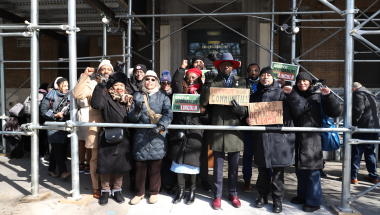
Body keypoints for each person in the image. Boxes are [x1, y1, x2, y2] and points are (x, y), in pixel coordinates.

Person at [283, 73, 342, 212]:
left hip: (313, 137)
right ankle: (302, 196)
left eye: (305, 81)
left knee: (313, 171)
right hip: (297, 137)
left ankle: (314, 201)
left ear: (310, 82)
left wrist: (328, 96)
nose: (302, 83)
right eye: (299, 81)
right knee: (300, 169)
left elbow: (336, 112)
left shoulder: (318, 95)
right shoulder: (294, 93)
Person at [200, 53, 247, 210]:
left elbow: (247, 106)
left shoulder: (242, 81)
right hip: (218, 127)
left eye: (229, 64)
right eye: (223, 65)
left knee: (234, 167)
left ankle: (233, 193)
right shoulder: (213, 81)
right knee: (218, 167)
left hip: (235, 129)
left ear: (233, 66)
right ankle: (217, 195)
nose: (226, 67)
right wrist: (206, 85)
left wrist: (241, 111)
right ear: (219, 66)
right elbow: (204, 102)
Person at [246, 67, 295, 213]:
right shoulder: (254, 96)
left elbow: (296, 109)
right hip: (261, 138)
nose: (265, 77)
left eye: (268, 75)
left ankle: (277, 199)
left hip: (279, 138)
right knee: (262, 169)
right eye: (263, 75)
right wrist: (248, 119)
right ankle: (262, 196)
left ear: (272, 78)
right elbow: (249, 114)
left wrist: (291, 92)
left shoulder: (283, 93)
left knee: (278, 172)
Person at [128, 70, 173, 205]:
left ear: (157, 82)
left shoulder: (163, 96)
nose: (149, 82)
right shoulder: (137, 95)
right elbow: (131, 118)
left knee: (155, 167)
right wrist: (136, 111)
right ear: (143, 81)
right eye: (147, 79)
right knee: (140, 167)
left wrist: (161, 126)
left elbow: (168, 114)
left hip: (157, 136)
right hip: (140, 136)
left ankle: (154, 192)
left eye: (153, 79)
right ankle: (139, 193)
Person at [72, 59, 115, 198]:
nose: (106, 71)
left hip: (112, 124)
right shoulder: (91, 84)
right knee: (95, 158)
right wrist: (84, 76)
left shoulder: (115, 84)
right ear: (98, 71)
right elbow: (77, 94)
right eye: (103, 69)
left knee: (112, 156)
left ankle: (110, 187)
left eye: (109, 69)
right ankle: (96, 187)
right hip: (96, 125)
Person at [91, 71, 133, 206]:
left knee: (119, 166)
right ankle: (105, 191)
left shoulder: (129, 99)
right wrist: (100, 86)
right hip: (108, 136)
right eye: (116, 85)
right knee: (105, 166)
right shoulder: (106, 97)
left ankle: (117, 190)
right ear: (112, 86)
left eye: (122, 85)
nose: (119, 88)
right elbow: (96, 104)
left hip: (123, 136)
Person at [168, 67, 210, 205]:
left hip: (195, 132)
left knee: (193, 163)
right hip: (180, 130)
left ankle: (192, 191)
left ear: (199, 78)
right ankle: (180, 191)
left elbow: (209, 116)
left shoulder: (203, 93)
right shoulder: (181, 92)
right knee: (178, 162)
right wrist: (181, 69)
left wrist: (204, 113)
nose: (191, 80)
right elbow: (175, 83)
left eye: (194, 77)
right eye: (188, 77)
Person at [40, 77, 71, 180]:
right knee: (58, 148)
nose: (67, 88)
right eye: (64, 86)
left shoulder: (69, 96)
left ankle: (51, 169)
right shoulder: (50, 96)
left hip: (63, 125)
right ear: (58, 86)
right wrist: (54, 115)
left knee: (56, 149)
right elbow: (44, 111)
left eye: (67, 85)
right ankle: (63, 171)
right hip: (52, 125)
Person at [350, 82, 380, 184]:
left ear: (353, 89)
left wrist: (352, 125)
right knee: (370, 152)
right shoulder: (371, 94)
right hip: (374, 128)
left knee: (356, 152)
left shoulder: (358, 94)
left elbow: (357, 111)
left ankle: (352, 176)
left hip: (362, 128)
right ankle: (374, 176)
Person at [242, 63, 260, 192]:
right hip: (247, 123)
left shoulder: (265, 83)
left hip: (262, 123)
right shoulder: (243, 84)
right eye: (250, 71)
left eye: (255, 70)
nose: (253, 73)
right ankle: (247, 179)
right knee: (247, 154)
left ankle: (266, 180)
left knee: (264, 154)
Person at [159, 70, 176, 195]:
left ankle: (169, 183)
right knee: (160, 158)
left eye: (168, 82)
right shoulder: (157, 95)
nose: (166, 84)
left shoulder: (175, 95)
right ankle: (158, 183)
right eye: (163, 82)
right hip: (160, 129)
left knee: (170, 157)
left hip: (173, 130)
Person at [77, 98, 91, 174]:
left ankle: (81, 164)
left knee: (81, 142)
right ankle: (87, 165)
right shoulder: (91, 87)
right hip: (89, 113)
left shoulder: (78, 87)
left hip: (80, 114)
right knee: (88, 142)